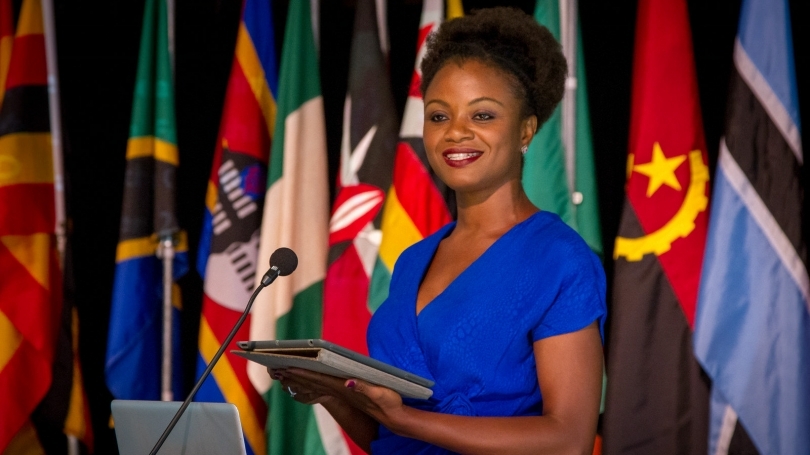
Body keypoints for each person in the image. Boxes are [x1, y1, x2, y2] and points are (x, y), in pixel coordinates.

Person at [271, 7, 606, 454]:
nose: (456, 133)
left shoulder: (561, 260)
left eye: (483, 115)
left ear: (526, 130)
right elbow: (390, 435)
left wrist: (406, 420)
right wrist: (335, 395)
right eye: (439, 116)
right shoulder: (413, 260)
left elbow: (568, 439)